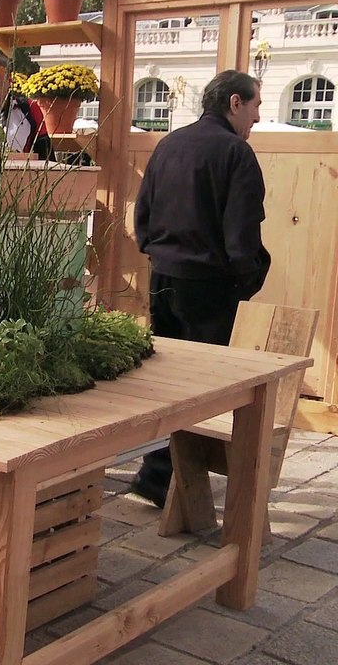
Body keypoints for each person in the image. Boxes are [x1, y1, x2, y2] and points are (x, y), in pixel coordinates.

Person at [130, 69, 270, 508]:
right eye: (255, 105)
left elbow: (143, 214)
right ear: (234, 103)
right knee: (199, 388)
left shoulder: (169, 144)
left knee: (166, 379)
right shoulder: (236, 153)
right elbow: (241, 232)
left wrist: (156, 253)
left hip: (163, 275)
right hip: (209, 285)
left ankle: (158, 474)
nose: (258, 117)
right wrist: (247, 279)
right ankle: (170, 479)